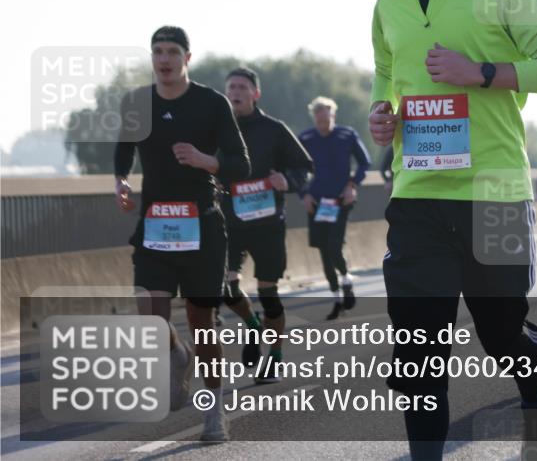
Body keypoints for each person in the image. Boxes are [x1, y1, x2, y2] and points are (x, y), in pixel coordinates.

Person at [368, 0, 537, 461]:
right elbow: (387, 74)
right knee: (418, 348)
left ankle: (535, 388)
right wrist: (381, 115)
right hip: (417, 197)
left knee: (502, 334)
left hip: (497, 193)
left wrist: (480, 73)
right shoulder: (388, 2)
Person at [114, 26, 250, 443]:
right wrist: (120, 180)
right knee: (149, 312)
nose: (164, 58)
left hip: (202, 225)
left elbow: (240, 164)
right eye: (157, 51)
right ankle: (175, 353)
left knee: (202, 322)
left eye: (173, 51)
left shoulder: (211, 103)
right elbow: (124, 147)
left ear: (187, 58)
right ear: (152, 57)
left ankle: (214, 413)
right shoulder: (138, 102)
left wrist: (205, 160)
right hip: (156, 225)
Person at [218, 67, 313, 383]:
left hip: (268, 224)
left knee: (269, 295)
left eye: (243, 87)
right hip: (229, 221)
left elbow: (304, 167)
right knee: (227, 289)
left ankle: (274, 356)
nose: (236, 92)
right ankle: (252, 326)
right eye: (231, 87)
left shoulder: (274, 129)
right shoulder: (216, 130)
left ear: (255, 94)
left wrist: (287, 180)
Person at [299, 96, 370, 320]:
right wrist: (304, 194)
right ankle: (336, 297)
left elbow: (365, 162)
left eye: (327, 115)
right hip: (318, 202)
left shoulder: (347, 134)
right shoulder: (306, 138)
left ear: (333, 115)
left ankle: (346, 278)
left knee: (334, 245)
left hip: (341, 199)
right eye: (319, 116)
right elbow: (294, 168)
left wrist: (352, 185)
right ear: (314, 117)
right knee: (323, 249)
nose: (323, 120)